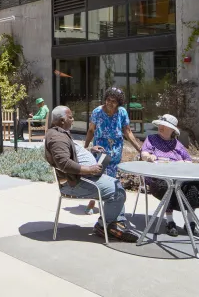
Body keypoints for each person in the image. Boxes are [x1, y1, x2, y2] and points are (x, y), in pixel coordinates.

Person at [45, 105, 138, 243]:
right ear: (62, 120)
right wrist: (89, 170)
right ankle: (106, 225)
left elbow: (72, 153)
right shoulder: (57, 138)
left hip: (80, 178)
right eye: (70, 117)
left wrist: (90, 149)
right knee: (116, 191)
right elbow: (64, 163)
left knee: (116, 185)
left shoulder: (60, 132)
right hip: (74, 184)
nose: (73, 119)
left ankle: (115, 224)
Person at [84, 87, 142, 215]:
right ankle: (93, 202)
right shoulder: (97, 112)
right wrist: (86, 147)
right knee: (98, 175)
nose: (110, 103)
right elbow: (91, 130)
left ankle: (108, 206)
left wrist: (139, 149)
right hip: (101, 148)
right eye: (108, 100)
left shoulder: (122, 112)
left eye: (114, 101)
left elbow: (127, 131)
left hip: (116, 148)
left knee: (112, 177)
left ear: (119, 103)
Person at [141, 113, 199, 237]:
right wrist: (149, 157)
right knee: (169, 186)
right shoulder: (151, 139)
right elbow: (144, 154)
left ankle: (190, 221)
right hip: (158, 179)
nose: (161, 127)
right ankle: (170, 221)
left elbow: (188, 161)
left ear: (172, 130)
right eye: (160, 124)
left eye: (165, 125)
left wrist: (181, 162)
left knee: (194, 187)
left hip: (179, 179)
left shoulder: (177, 144)